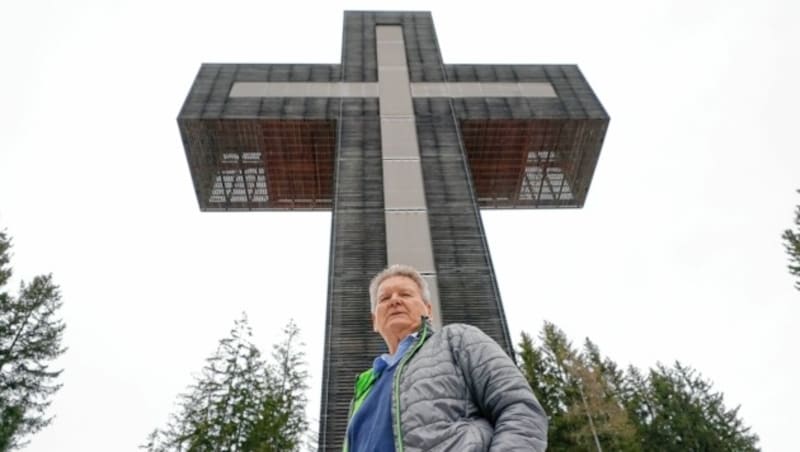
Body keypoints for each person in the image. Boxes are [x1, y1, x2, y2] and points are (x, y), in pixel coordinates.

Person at [344, 264, 548, 451]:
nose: (395, 300)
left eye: (405, 294)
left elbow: (519, 408)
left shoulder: (457, 340)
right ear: (374, 321)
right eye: (384, 298)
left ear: (429, 310)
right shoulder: (365, 387)